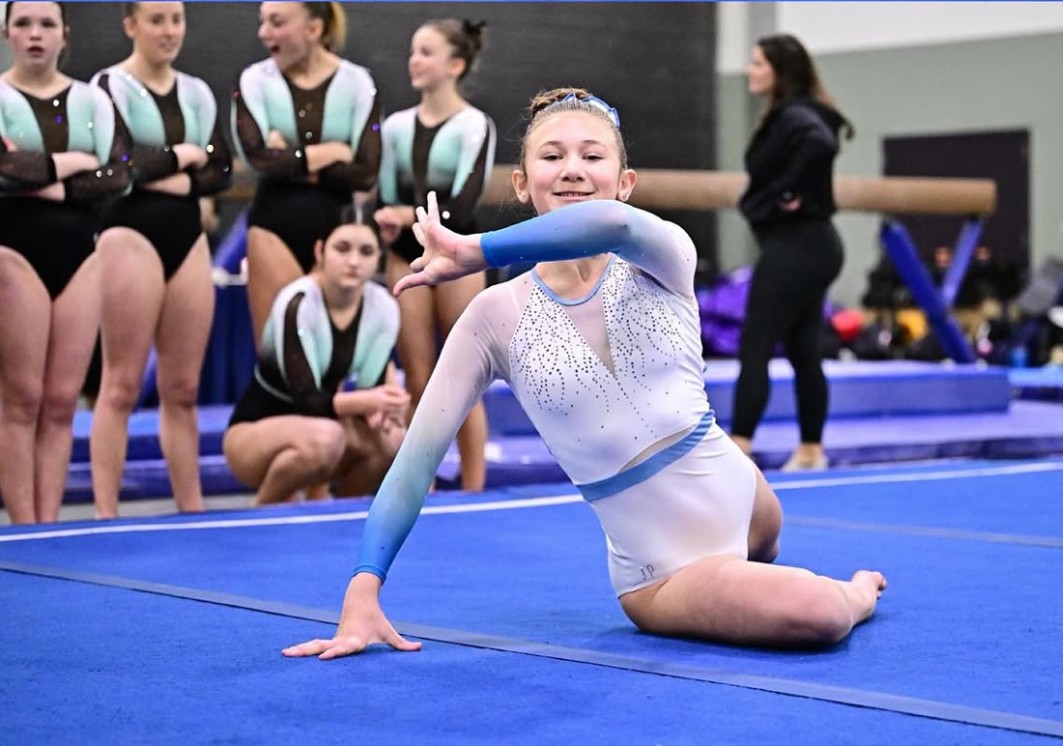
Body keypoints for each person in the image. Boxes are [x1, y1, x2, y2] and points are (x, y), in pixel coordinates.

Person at [283, 88, 885, 659]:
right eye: (552, 156)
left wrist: (478, 249)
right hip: (663, 569)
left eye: (592, 156)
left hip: (742, 493)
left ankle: (766, 580)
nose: (572, 169)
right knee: (817, 611)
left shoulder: (664, 256)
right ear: (522, 184)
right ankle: (853, 594)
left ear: (625, 183)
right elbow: (416, 460)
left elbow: (613, 227)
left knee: (770, 542)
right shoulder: (494, 317)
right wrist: (363, 587)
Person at [88, 1, 233, 519]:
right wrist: (185, 157)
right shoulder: (109, 86)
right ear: (131, 26)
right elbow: (121, 164)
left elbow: (221, 170)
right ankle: (105, 513)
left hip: (186, 236)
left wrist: (170, 171)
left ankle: (191, 510)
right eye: (156, 20)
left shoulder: (196, 92)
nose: (169, 30)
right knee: (122, 384)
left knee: (183, 388)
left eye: (176, 19)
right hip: (130, 233)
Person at [0, 1, 131, 524]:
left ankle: (48, 525)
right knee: (21, 399)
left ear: (65, 35)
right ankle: (23, 526)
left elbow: (117, 175)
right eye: (23, 24)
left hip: (79, 254)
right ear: (7, 34)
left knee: (60, 402)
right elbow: (3, 172)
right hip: (14, 252)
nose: (35, 34)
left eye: (46, 24)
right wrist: (74, 163)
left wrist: (40, 176)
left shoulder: (91, 99)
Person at [374, 18, 494, 492]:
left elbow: (462, 205)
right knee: (418, 380)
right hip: (406, 254)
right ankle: (417, 488)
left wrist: (404, 214)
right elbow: (384, 196)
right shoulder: (396, 127)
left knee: (464, 380)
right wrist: (390, 219)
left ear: (455, 65)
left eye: (426, 52)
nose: (414, 61)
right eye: (413, 51)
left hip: (460, 253)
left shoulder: (473, 125)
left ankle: (474, 487)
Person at [222, 210, 408, 506]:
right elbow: (308, 400)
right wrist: (370, 401)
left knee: (393, 439)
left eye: (366, 251)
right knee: (326, 438)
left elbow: (369, 390)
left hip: (324, 427)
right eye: (342, 249)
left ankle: (340, 514)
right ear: (320, 251)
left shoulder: (383, 307)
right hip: (255, 434)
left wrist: (384, 409)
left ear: (379, 258)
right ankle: (262, 512)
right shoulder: (298, 302)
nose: (354, 261)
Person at [729, 34, 853, 472]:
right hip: (815, 246)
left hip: (796, 246)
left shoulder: (795, 115)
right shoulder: (797, 112)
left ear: (780, 71)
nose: (750, 71)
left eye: (758, 63)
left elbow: (821, 144)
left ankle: (739, 448)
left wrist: (787, 190)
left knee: (756, 344)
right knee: (803, 350)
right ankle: (811, 451)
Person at [233, 1, 380, 343]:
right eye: (262, 21)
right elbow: (260, 160)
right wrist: (332, 152)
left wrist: (290, 156)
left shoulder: (357, 82)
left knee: (331, 355)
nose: (263, 33)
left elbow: (366, 172)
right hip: (274, 226)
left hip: (338, 230)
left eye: (276, 22)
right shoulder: (255, 79)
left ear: (313, 29)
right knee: (276, 351)